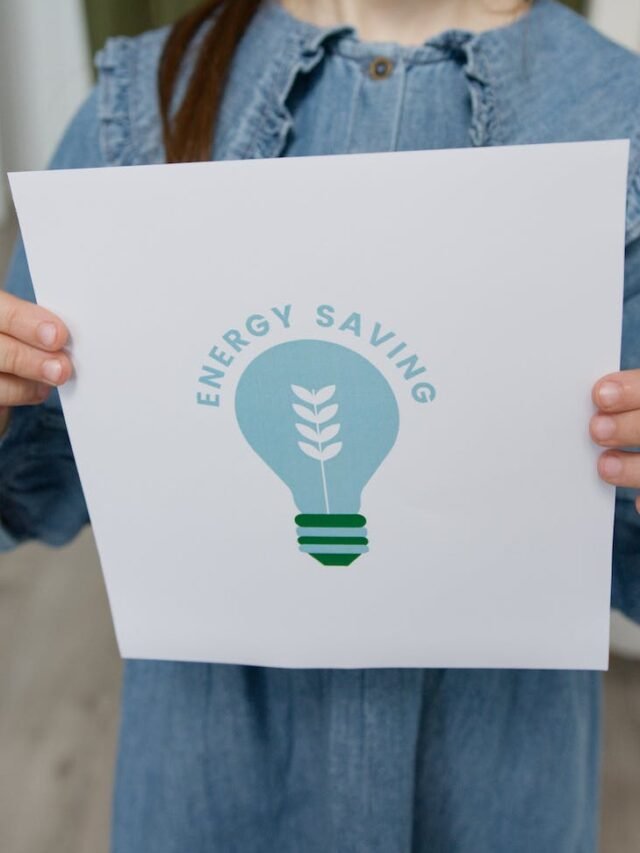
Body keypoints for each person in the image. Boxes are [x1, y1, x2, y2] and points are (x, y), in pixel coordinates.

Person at [1, 0, 640, 849]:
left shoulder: (616, 107)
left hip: (495, 791)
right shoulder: (142, 100)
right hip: (207, 788)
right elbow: (31, 498)